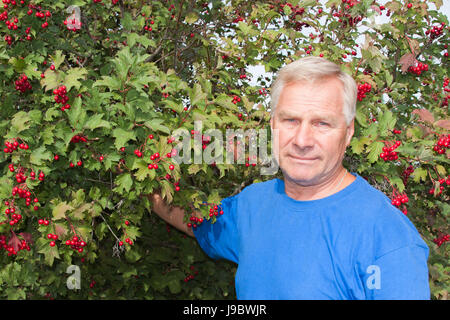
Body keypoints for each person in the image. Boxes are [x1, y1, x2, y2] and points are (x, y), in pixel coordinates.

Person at [149, 56, 430, 300]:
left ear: (347, 132)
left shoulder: (388, 240)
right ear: (272, 126)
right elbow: (195, 220)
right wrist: (144, 184)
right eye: (291, 120)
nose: (302, 140)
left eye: (322, 123)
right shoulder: (252, 206)